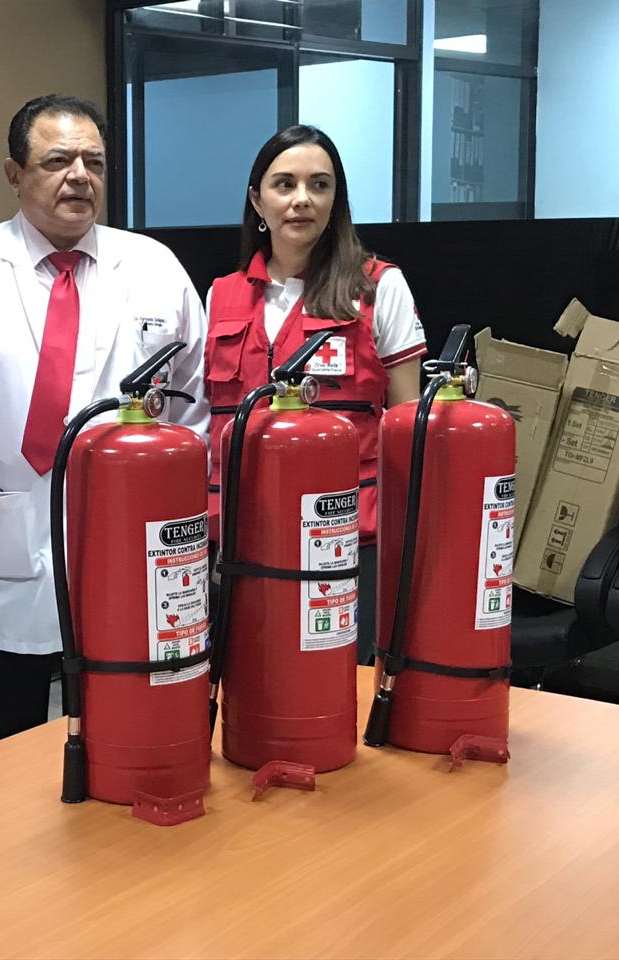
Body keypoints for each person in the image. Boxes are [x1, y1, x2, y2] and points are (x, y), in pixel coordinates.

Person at [0, 94, 208, 753]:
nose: (80, 175)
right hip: (1, 540)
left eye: (94, 162)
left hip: (130, 546)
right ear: (14, 173)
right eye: (57, 160)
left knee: (123, 738)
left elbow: (195, 411)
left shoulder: (155, 269)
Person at [205, 124, 427, 663]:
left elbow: (407, 429)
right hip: (242, 532)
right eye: (285, 184)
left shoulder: (379, 287)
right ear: (258, 200)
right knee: (250, 686)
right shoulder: (220, 295)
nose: (302, 199)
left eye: (319, 185)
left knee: (338, 687)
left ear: (335, 199)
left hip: (348, 534)